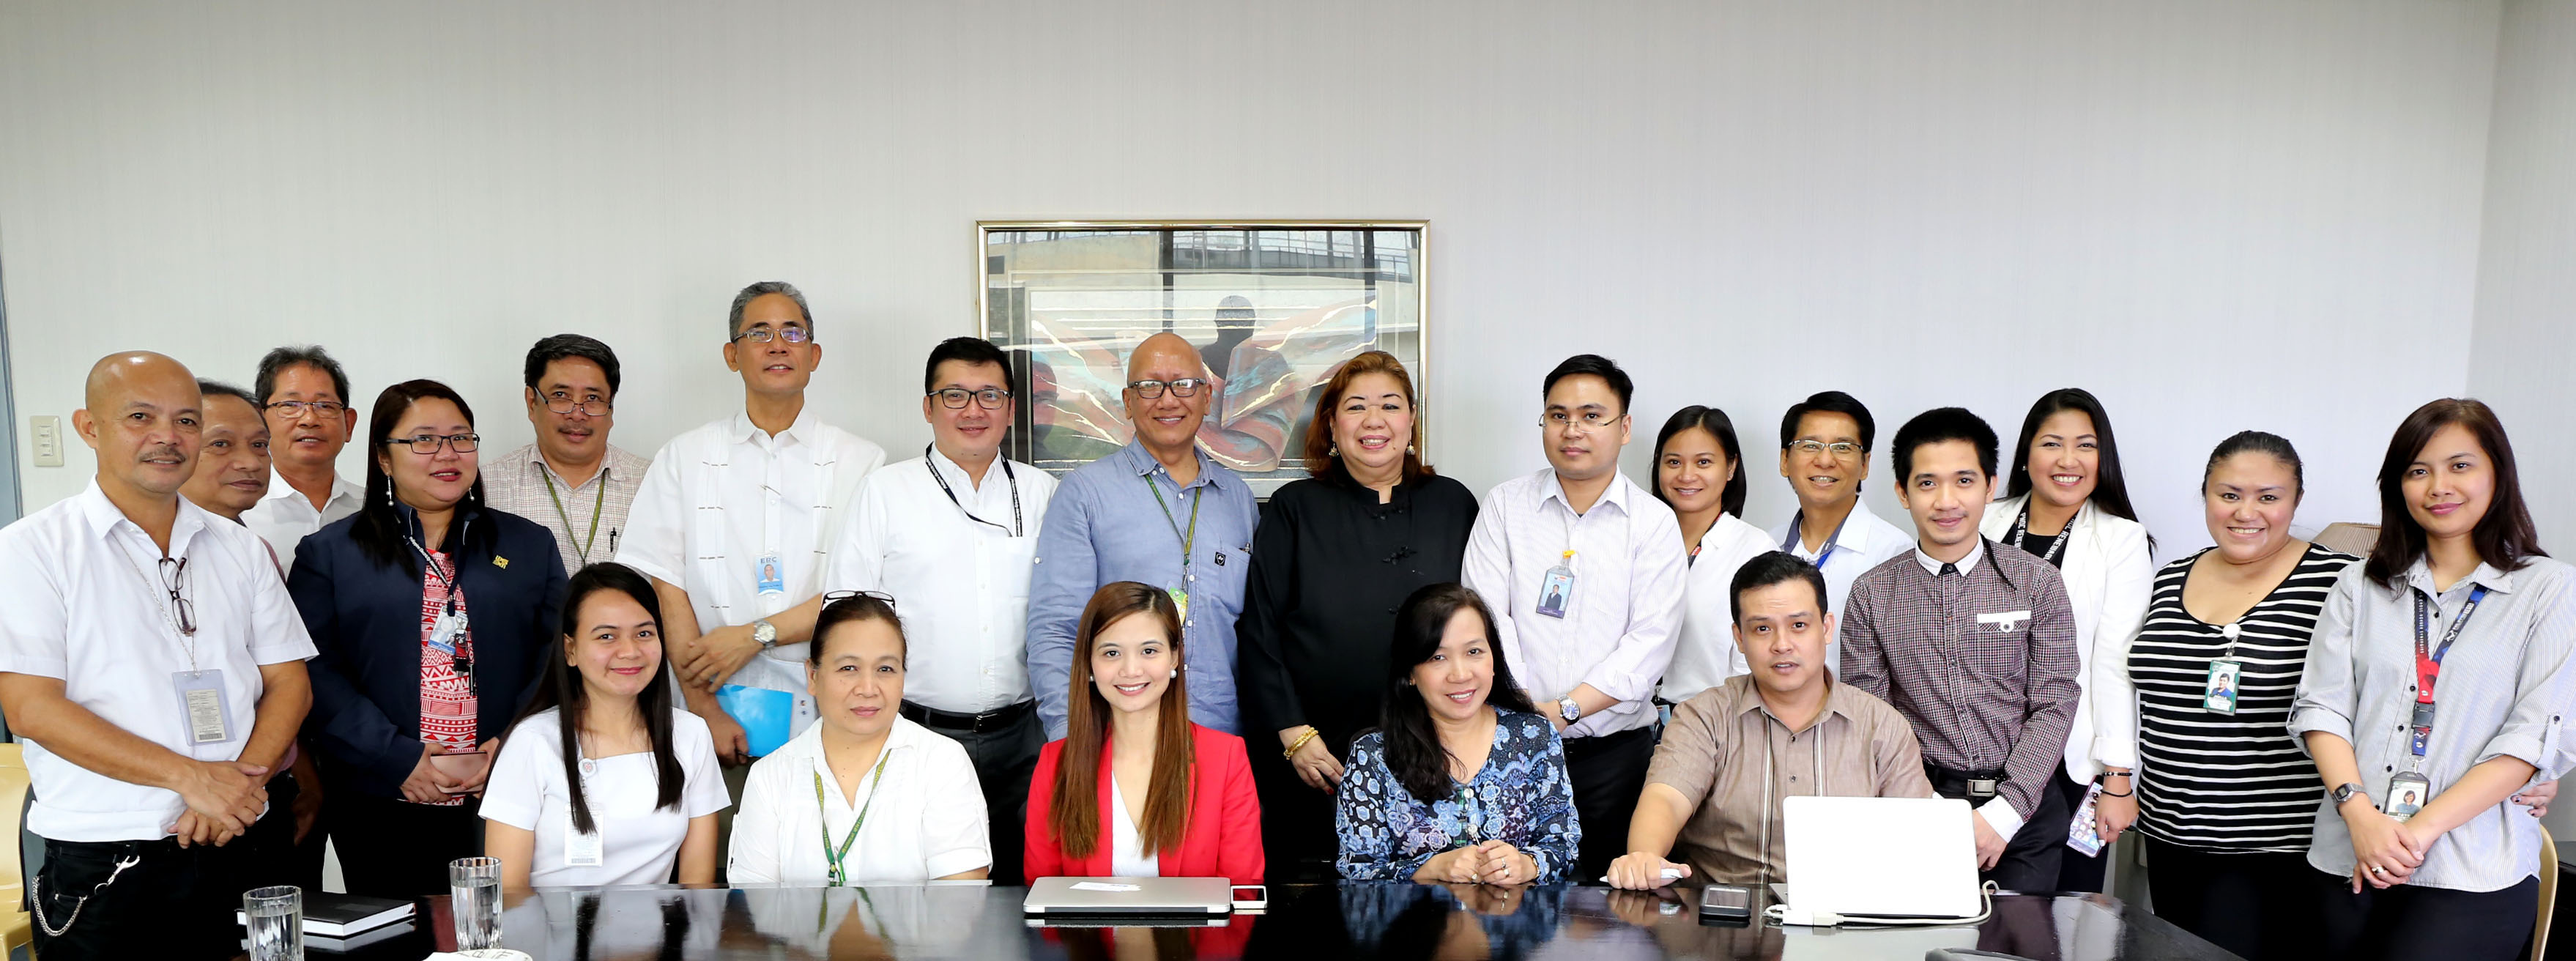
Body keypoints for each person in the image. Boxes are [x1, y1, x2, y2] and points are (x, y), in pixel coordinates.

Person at [0, 353, 316, 957]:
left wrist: (238, 786)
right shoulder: (30, 549)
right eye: (140, 417)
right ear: (89, 427)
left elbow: (289, 682)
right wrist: (193, 780)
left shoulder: (237, 548)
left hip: (246, 833)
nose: (168, 438)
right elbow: (31, 709)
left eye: (187, 421)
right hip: (112, 854)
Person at [2293, 399, 2576, 961]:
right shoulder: (2358, 586)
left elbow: (2530, 738)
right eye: (2417, 470)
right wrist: (2360, 816)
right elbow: (2321, 709)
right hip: (2346, 853)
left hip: (2470, 870)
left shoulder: (2549, 589)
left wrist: (2413, 835)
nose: (2437, 486)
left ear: (2498, 472)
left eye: (2459, 466)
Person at [615, 281, 886, 867]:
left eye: (792, 332)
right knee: (713, 885)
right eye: (758, 333)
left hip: (828, 716)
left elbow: (857, 592)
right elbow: (665, 584)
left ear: (814, 355)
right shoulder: (684, 457)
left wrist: (752, 635)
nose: (777, 345)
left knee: (820, 874)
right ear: (731, 354)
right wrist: (704, 708)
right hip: (708, 718)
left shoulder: (863, 462)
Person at [289, 379, 568, 896]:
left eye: (462, 438)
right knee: (397, 941)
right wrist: (398, 759)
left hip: (506, 790)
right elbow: (313, 671)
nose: (447, 453)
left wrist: (507, 749)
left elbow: (555, 657)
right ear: (384, 459)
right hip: (381, 795)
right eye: (423, 440)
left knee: (508, 939)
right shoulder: (329, 553)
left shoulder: (528, 545)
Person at [1236, 349, 1478, 881]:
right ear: (1330, 424)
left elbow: (1482, 629)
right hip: (1314, 759)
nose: (1374, 421)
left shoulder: (1454, 504)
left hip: (1435, 755)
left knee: (1422, 910)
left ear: (1411, 420)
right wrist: (1294, 735)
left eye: (1390, 406)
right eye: (1356, 407)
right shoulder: (1294, 507)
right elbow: (1259, 630)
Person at [820, 336, 1054, 883]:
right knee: (928, 896)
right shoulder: (885, 492)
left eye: (989, 395)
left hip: (1026, 738)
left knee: (1025, 889)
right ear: (927, 407)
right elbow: (847, 617)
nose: (973, 411)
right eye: (954, 395)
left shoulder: (1043, 492)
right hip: (916, 735)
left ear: (1011, 408)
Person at [1460, 354, 1686, 879]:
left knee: (1604, 913)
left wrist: (1562, 710)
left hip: (1614, 758)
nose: (1572, 430)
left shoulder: (1653, 523)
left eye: (1591, 415)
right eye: (1557, 415)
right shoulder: (1503, 506)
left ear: (1624, 427)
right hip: (1510, 749)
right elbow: (1486, 621)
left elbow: (1648, 643)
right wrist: (1526, 713)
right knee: (1508, 897)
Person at [1838, 407, 2079, 892]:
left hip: (2024, 810)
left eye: (1963, 481)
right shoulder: (1872, 593)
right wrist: (1930, 812)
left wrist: (2005, 813)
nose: (1946, 501)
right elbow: (1871, 715)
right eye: (1927, 484)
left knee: (2014, 949)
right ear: (1902, 493)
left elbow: (2055, 702)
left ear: (1989, 486)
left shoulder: (2036, 582)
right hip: (1918, 802)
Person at [1607, 552, 1934, 890]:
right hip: (1721, 920)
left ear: (1826, 628)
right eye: (1762, 629)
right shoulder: (1704, 716)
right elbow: (1667, 798)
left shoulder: (1882, 726)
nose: (1782, 645)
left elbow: (1919, 840)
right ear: (1739, 638)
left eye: (1799, 626)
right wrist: (1644, 856)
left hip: (1844, 923)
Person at [1027, 332, 1258, 739]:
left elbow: (1253, 630)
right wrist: (1070, 736)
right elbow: (1057, 629)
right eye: (1150, 386)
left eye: (1184, 384)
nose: (1168, 400)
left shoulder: (1238, 498)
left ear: (1207, 397)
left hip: (1221, 736)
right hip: (1115, 739)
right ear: (1128, 402)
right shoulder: (1085, 493)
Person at [1976, 387, 2154, 893]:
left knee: (2060, 921)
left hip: (2067, 760)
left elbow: (2116, 664)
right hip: (1975, 752)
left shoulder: (2120, 538)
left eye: (2086, 445)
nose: (2068, 460)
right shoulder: (1984, 518)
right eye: (2051, 443)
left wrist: (2118, 778)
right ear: (2026, 454)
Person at [482, 563, 728, 889]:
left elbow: (697, 887)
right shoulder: (532, 742)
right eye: (606, 636)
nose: (629, 651)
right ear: (570, 650)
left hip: (659, 938)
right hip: (549, 936)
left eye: (644, 633)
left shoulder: (690, 734)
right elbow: (508, 893)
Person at [179, 378, 331, 894]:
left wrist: (286, 775)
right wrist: (222, 791)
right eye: (221, 444)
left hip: (262, 789)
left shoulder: (253, 551)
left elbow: (281, 684)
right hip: (180, 805)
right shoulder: (119, 554)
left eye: (260, 445)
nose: (249, 461)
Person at [729, 592, 992, 883]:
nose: (868, 688)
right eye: (848, 668)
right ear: (813, 676)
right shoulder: (770, 777)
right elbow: (753, 911)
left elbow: (960, 905)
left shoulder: (942, 763)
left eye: (885, 669)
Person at [1335, 583, 1578, 883]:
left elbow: (1564, 846)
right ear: (1410, 672)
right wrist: (1430, 869)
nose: (1460, 674)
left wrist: (1528, 864)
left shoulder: (1534, 736)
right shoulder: (1372, 756)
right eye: (1438, 657)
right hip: (1416, 928)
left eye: (1474, 651)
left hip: (1514, 926)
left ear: (1494, 659)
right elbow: (1357, 870)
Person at [1025, 582, 1263, 883]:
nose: (1131, 669)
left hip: (1197, 932)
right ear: (1089, 663)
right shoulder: (1055, 762)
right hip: (1084, 932)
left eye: (1149, 651)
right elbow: (1043, 896)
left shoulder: (1226, 758)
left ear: (1175, 657)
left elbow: (1240, 894)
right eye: (1111, 653)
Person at [482, 335, 654, 577]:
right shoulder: (485, 487)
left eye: (592, 398)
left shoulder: (654, 483)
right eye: (561, 396)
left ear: (611, 407)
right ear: (532, 402)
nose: (577, 414)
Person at [1766, 391, 1913, 669]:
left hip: (1859, 709)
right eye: (1810, 445)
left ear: (1865, 465)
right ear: (1785, 460)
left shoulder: (1894, 553)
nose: (1825, 460)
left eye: (1843, 447)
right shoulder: (1766, 544)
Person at [1651, 405, 1778, 702]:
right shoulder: (1636, 539)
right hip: (1629, 727)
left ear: (1731, 467)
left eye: (1703, 462)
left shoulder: (1756, 549)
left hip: (1714, 726)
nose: (1686, 475)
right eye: (1673, 462)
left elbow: (1755, 660)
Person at [242, 344, 364, 566]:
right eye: (290, 405)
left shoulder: (373, 510)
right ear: (258, 420)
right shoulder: (240, 513)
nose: (309, 419)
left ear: (348, 424)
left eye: (325, 405)